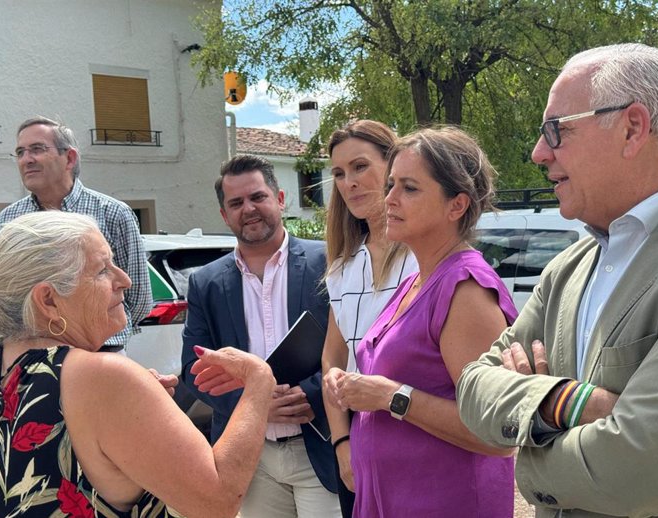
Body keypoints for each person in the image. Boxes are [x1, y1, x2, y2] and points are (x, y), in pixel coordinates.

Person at [456, 43, 658, 518]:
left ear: (632, 128)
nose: (538, 153)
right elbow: (472, 388)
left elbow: (637, 472)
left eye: (555, 130)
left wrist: (528, 466)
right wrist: (568, 401)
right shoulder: (568, 268)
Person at [0, 211, 276, 517]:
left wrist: (132, 403)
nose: (125, 279)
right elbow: (218, 500)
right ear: (49, 301)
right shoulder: (101, 377)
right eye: (102, 270)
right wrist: (258, 381)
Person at [330, 127, 517, 517]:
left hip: (445, 501)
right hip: (392, 499)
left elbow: (499, 433)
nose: (390, 198)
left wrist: (390, 396)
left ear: (457, 205)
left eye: (410, 188)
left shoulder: (465, 289)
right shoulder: (420, 280)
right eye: (392, 184)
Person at [180, 154, 340, 518]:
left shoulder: (329, 263)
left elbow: (356, 345)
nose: (248, 209)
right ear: (224, 215)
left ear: (280, 199)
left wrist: (312, 393)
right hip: (250, 459)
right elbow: (194, 367)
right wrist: (253, 404)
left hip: (318, 442)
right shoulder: (205, 283)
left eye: (258, 197)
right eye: (236, 203)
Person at [320, 120, 417, 517]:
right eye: (339, 174)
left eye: (360, 167)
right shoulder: (342, 267)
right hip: (360, 442)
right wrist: (342, 444)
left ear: (393, 166)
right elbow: (331, 359)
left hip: (420, 435)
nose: (349, 183)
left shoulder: (423, 256)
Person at [0, 116, 152, 351]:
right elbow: (6, 298)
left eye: (37, 149)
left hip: (102, 351)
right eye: (20, 152)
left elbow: (138, 298)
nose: (27, 159)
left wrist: (98, 332)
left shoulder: (114, 213)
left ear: (69, 158)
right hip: (32, 356)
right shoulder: (9, 220)